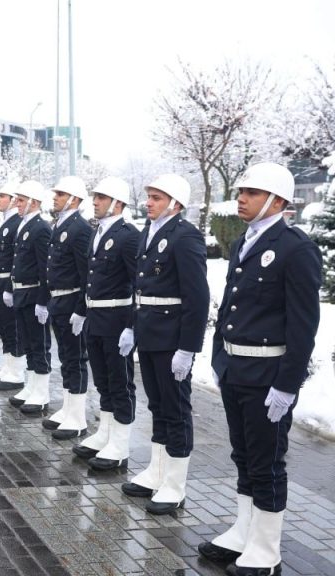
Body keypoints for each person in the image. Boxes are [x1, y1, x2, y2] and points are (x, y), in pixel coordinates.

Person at [197, 163, 321, 576]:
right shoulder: (244, 243)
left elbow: (303, 325)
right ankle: (243, 531)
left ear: (278, 201)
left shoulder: (295, 248)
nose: (242, 198)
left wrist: (287, 385)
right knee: (244, 455)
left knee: (268, 461)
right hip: (236, 370)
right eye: (242, 191)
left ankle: (265, 550)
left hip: (268, 377)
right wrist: (219, 357)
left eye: (252, 192)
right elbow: (230, 305)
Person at [120, 174, 209, 515]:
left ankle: (175, 483)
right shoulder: (149, 232)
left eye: (156, 198)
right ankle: (157, 472)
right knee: (157, 406)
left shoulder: (185, 236)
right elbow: (140, 289)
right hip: (149, 331)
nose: (149, 202)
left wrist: (188, 348)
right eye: (150, 197)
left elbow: (197, 297)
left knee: (176, 409)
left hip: (172, 338)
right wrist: (132, 327)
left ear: (175, 203)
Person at [77, 177, 140, 470]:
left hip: (116, 318)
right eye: (96, 197)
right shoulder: (98, 232)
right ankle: (105, 432)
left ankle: (121, 443)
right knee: (102, 380)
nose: (95, 201)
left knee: (120, 382)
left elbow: (137, 284)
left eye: (101, 197)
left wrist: (131, 326)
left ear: (117, 203)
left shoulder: (128, 236)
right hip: (96, 317)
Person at [41, 176, 92, 439]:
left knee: (76, 358)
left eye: (60, 194)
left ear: (74, 199)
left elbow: (85, 273)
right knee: (66, 359)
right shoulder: (61, 224)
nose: (55, 197)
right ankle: (68, 407)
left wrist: (82, 309)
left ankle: (78, 416)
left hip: (72, 300)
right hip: (58, 300)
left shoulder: (80, 228)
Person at [5, 180, 53, 414]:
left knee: (38, 343)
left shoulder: (41, 228)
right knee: (27, 342)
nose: (17, 204)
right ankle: (32, 385)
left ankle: (41, 392)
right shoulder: (25, 226)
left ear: (34, 202)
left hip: (34, 293)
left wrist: (43, 301)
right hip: (22, 292)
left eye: (21, 200)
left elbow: (45, 268)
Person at [0, 181, 25, 390]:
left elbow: (16, 258)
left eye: (2, 196)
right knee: (3, 326)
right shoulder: (6, 222)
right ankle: (8, 366)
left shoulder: (17, 222)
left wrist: (10, 285)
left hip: (6, 280)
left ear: (13, 200)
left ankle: (17, 371)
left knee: (12, 326)